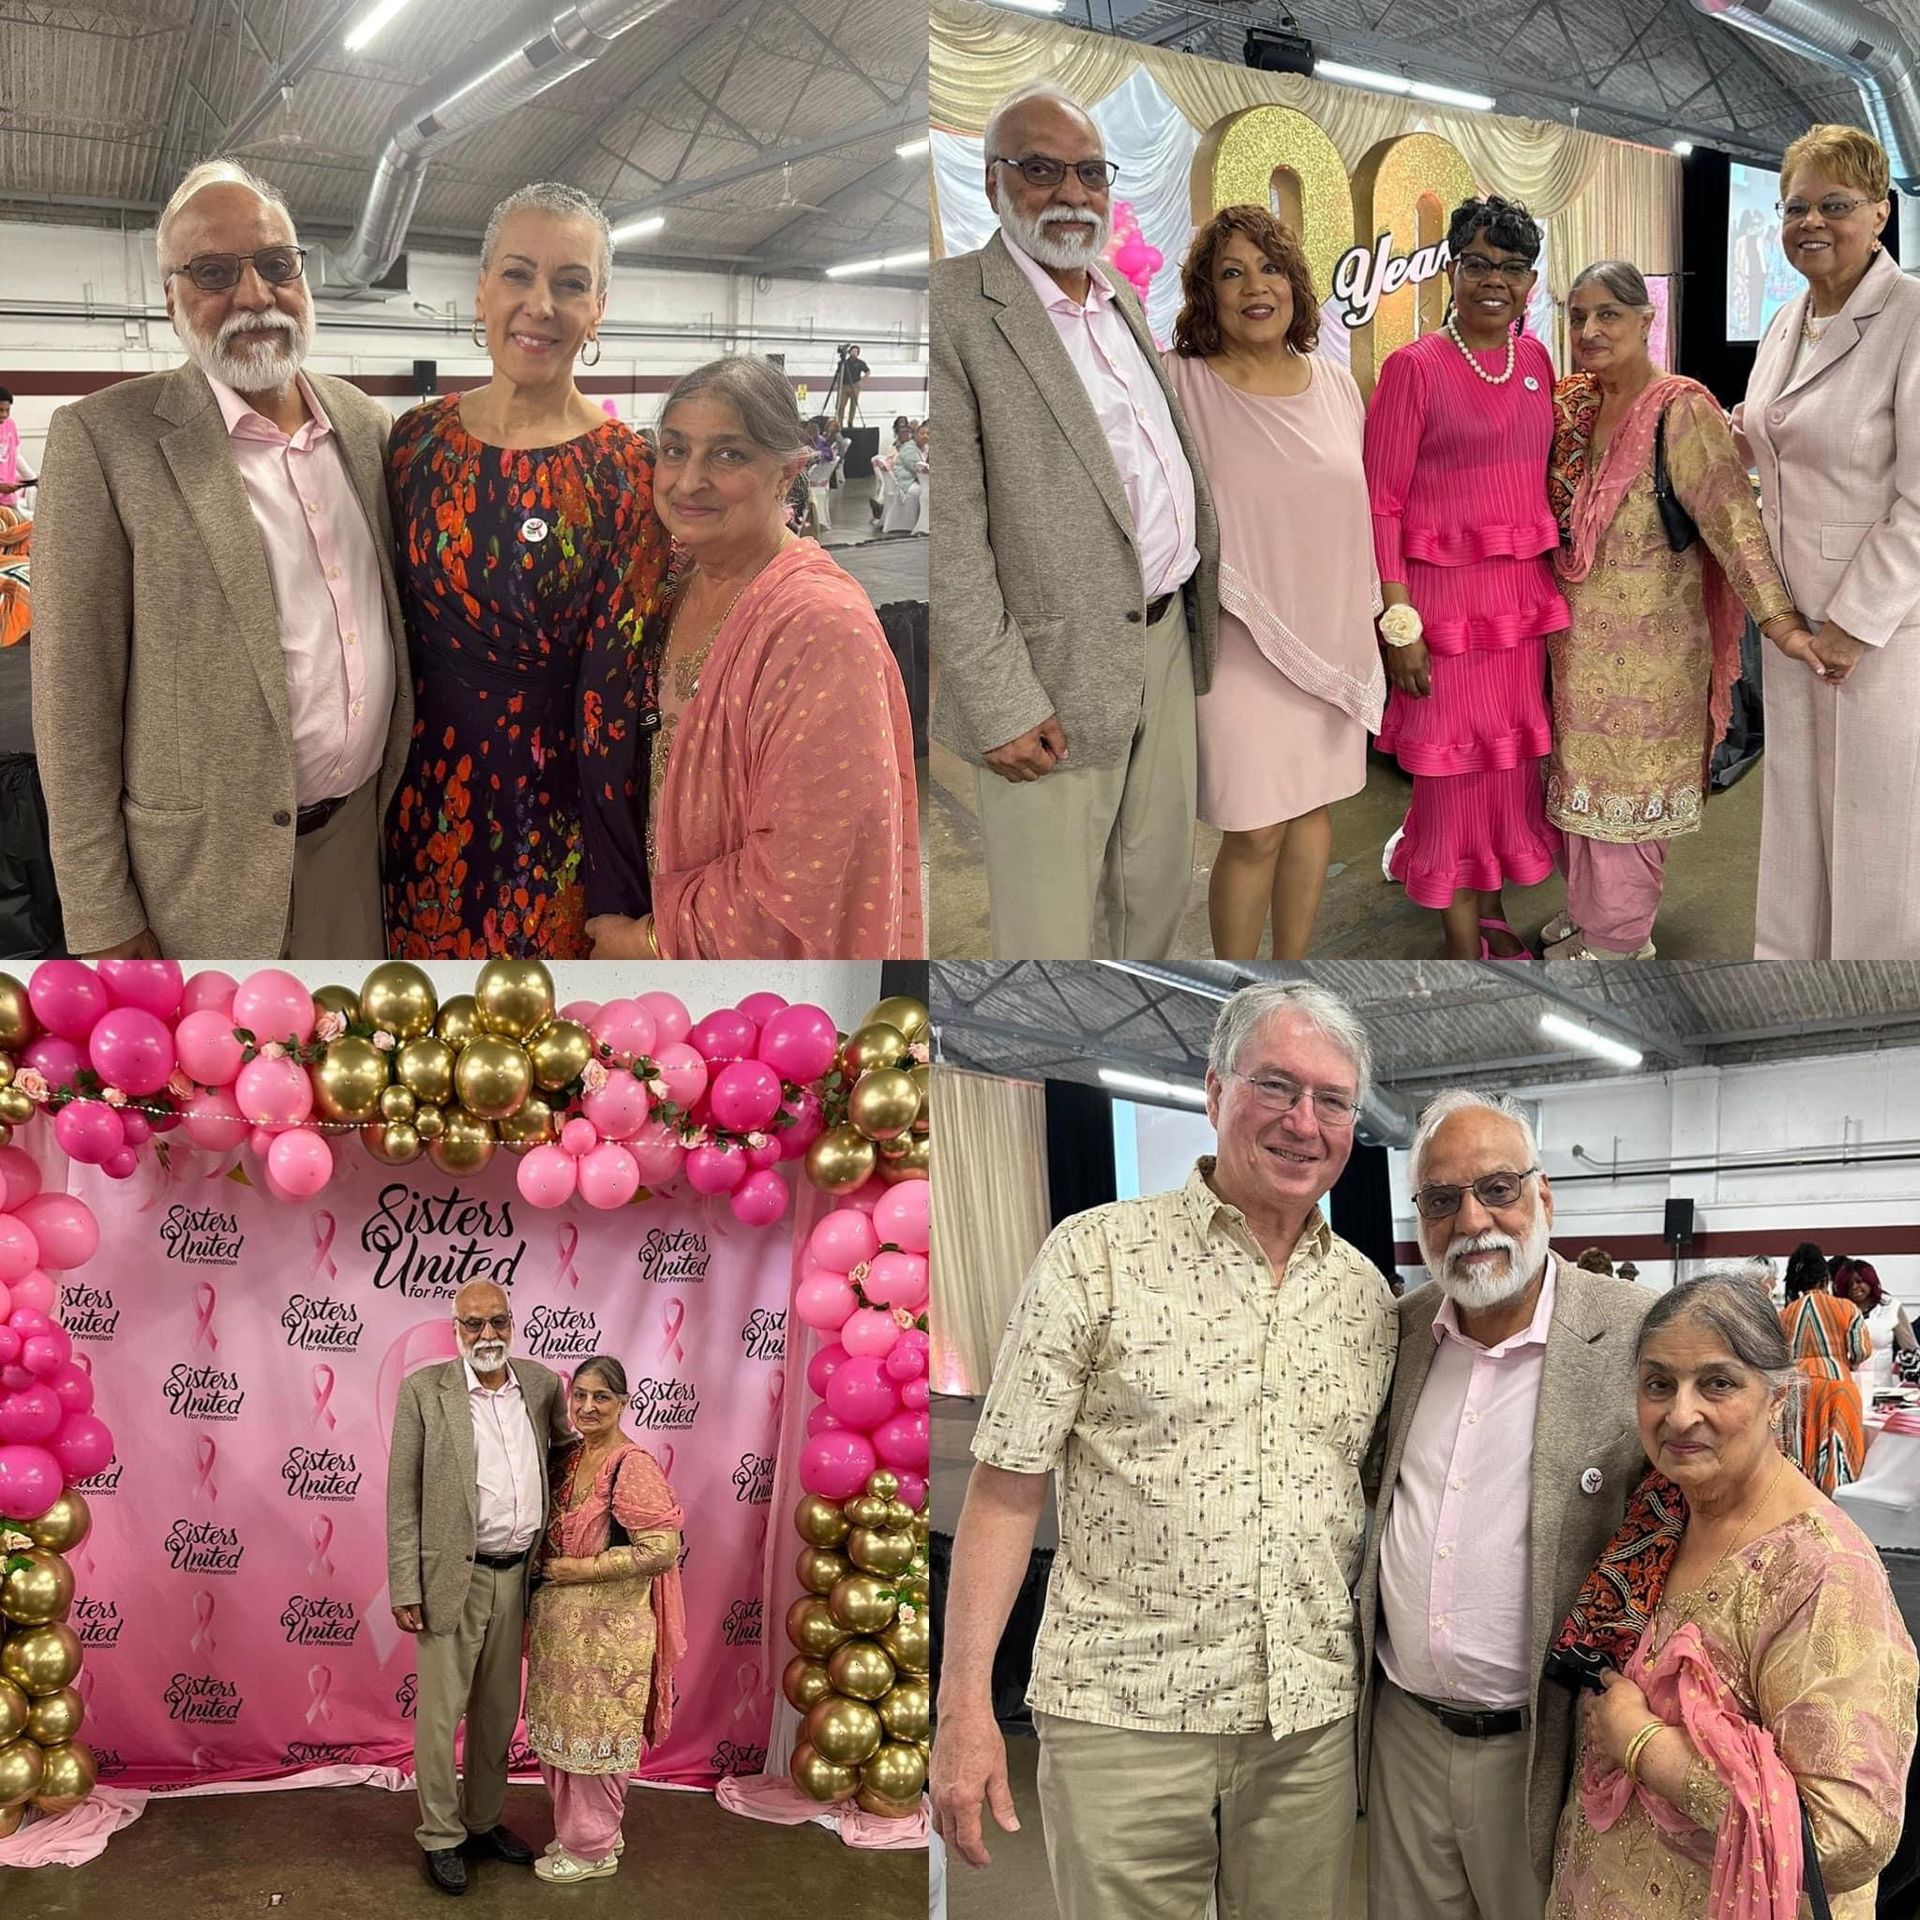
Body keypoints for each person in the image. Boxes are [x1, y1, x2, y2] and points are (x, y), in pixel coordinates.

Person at [932, 981, 1396, 1918]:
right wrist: (963, 1708)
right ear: (1216, 1089)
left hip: (1304, 1731)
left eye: (1333, 1100)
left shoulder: (1368, 1301)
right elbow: (1005, 1490)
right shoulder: (1095, 1255)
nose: (1305, 1123)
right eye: (1276, 1087)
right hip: (1123, 1716)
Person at [32, 159, 411, 958]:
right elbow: (72, 701)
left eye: (276, 265)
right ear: (171, 298)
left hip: (357, 847)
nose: (254, 295)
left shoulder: (365, 426)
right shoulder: (105, 440)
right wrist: (101, 915)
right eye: (214, 271)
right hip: (195, 880)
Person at [933, 80, 1220, 960]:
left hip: (1166, 643)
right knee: (1050, 932)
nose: (1071, 193)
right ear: (992, 183)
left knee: (1157, 891)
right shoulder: (952, 309)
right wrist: (1000, 703)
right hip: (1046, 676)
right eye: (1041, 169)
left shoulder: (1116, 298)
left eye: (1090, 172)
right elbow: (949, 534)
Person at [1356, 1089, 1652, 1920]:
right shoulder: (1403, 1329)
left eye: (1498, 1188)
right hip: (1403, 1732)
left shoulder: (1634, 1333)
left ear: (1544, 1196)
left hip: (1546, 1745)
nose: (1472, 1220)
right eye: (1442, 1200)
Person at [1545, 1272, 1917, 1916]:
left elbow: (1846, 1837)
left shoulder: (1822, 1572)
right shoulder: (1659, 1512)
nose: (1680, 1413)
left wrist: (1645, 1745)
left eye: (1718, 1383)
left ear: (1777, 1398)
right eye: (1658, 1383)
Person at [383, 182, 667, 959]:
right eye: (517, 275)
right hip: (411, 816)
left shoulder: (627, 476)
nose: (540, 304)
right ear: (481, 291)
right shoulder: (415, 445)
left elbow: (615, 697)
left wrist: (617, 893)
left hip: (553, 833)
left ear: (598, 308)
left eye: (570, 284)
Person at [596, 355, 919, 958]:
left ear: (787, 472)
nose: (689, 480)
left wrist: (649, 941)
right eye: (673, 450)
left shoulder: (820, 627)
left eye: (729, 455)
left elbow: (809, 868)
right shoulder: (670, 580)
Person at [1543, 261, 1812, 961]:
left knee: (1629, 808)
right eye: (1578, 316)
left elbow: (1732, 521)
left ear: (1645, 319)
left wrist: (1779, 622)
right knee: (1583, 800)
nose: (1590, 331)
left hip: (1655, 662)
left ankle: (1621, 943)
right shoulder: (1574, 404)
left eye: (1608, 315)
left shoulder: (1678, 407)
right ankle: (1589, 915)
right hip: (1574, 652)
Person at [1163, 206, 1381, 960]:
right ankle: (1236, 980)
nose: (1256, 286)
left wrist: (1381, 620)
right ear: (1205, 294)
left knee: (1313, 810)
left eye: (1270, 267)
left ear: (1294, 284)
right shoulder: (1179, 382)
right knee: (1253, 825)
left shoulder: (1333, 382)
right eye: (1232, 272)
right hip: (1236, 638)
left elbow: (1365, 510)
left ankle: (1291, 970)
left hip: (1332, 631)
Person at [1734, 123, 1920, 958]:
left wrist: (1853, 622)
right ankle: (1791, 958)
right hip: (1792, 622)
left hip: (1877, 631)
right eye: (1794, 206)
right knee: (1800, 819)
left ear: (1880, 212)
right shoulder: (1788, 319)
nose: (1811, 221)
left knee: (1877, 836)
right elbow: (1770, 435)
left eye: (1834, 205)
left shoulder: (1911, 317)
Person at [1364, 195, 1565, 959]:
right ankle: (1460, 942)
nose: (1495, 281)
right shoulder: (1414, 369)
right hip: (1440, 614)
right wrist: (1399, 623)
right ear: (1453, 269)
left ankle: (1490, 913)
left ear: (1530, 281)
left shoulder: (1537, 362)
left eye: (1513, 268)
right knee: (1449, 781)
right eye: (1478, 263)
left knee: (1509, 769)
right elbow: (1380, 504)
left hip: (1520, 610)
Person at [386, 1281, 570, 1897]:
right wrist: (404, 1583)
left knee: (498, 1713)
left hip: (518, 1576)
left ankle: (484, 1821)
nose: (487, 1335)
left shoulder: (541, 1386)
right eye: (473, 1325)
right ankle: (440, 1836)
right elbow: (402, 1495)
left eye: (497, 1322)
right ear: (455, 1330)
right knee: (440, 1719)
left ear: (512, 1323)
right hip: (449, 1579)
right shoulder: (424, 1392)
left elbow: (568, 1459)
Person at [524, 1355, 686, 1885]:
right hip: (559, 1632)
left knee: (595, 1737)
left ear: (623, 1404)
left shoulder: (629, 1463)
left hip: (609, 1635)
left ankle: (591, 1849)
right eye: (580, 1396)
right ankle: (587, 1833)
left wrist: (582, 1569)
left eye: (602, 1398)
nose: (588, 1407)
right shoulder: (570, 1458)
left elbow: (662, 1548)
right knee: (563, 1739)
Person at [1781, 1240, 1871, 1490]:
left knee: (1799, 1466)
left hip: (1796, 1391)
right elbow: (1861, 1350)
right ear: (1826, 1277)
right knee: (1839, 1467)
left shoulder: (1785, 1314)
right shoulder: (1846, 1308)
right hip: (1839, 1388)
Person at [1831, 1255, 1919, 1387]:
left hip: (1883, 1389)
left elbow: (1911, 1349)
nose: (1854, 1287)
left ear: (1870, 1281)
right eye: (1849, 1285)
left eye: (1859, 1281)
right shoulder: (1836, 1310)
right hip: (1846, 1388)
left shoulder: (1891, 1306)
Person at [0, 388, 35, 508]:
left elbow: (16, 455)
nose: (3, 414)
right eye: (0, 410)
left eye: (7, 410)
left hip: (8, 497)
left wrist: (33, 479)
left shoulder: (10, 425)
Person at [833, 343, 869, 429]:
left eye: (856, 351)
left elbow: (868, 372)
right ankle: (840, 423)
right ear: (849, 352)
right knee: (841, 405)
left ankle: (850, 422)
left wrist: (861, 381)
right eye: (853, 351)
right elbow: (838, 373)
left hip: (855, 386)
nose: (854, 353)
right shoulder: (843, 363)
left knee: (853, 405)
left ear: (858, 353)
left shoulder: (861, 363)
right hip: (844, 386)